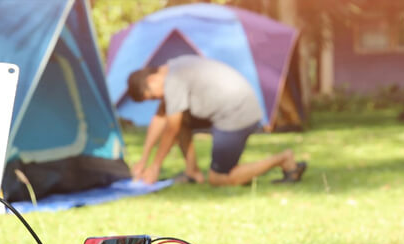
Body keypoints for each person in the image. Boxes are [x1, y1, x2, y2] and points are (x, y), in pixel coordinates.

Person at [128, 55, 306, 186]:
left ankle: (284, 159)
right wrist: (144, 160)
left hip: (236, 113)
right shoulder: (173, 67)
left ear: (151, 80)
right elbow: (160, 117)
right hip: (233, 107)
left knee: (219, 178)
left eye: (151, 96)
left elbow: (171, 129)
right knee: (180, 119)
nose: (156, 99)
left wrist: (155, 166)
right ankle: (193, 172)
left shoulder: (173, 80)